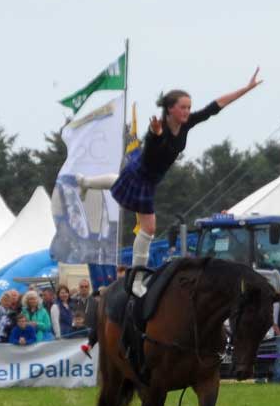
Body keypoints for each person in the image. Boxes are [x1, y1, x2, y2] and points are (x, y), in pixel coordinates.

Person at [109, 71, 264, 275]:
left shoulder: (187, 123)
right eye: (183, 107)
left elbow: (215, 107)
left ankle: (85, 182)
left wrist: (246, 89)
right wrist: (155, 134)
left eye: (189, 107)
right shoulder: (158, 128)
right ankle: (137, 276)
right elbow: (154, 148)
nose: (187, 111)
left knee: (118, 182)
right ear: (170, 109)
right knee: (149, 229)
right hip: (143, 176)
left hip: (151, 177)